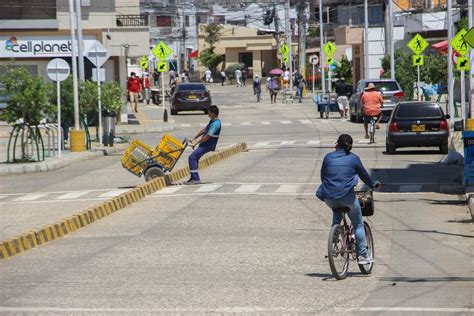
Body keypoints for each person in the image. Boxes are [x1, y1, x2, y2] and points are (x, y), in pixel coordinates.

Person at [316, 134, 381, 265]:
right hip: (347, 197)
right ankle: (363, 256)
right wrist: (372, 184)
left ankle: (335, 233)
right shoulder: (354, 158)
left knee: (336, 211)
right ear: (350, 146)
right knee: (358, 224)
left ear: (337, 144)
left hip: (329, 197)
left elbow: (323, 176)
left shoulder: (328, 157)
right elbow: (364, 175)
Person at [187, 105, 222, 184]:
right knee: (195, 158)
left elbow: (208, 136)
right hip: (205, 144)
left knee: (192, 157)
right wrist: (194, 138)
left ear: (213, 113)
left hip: (208, 145)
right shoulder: (212, 121)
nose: (208, 114)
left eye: (209, 113)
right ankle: (193, 178)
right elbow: (204, 130)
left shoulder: (216, 124)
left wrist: (196, 143)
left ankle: (196, 179)